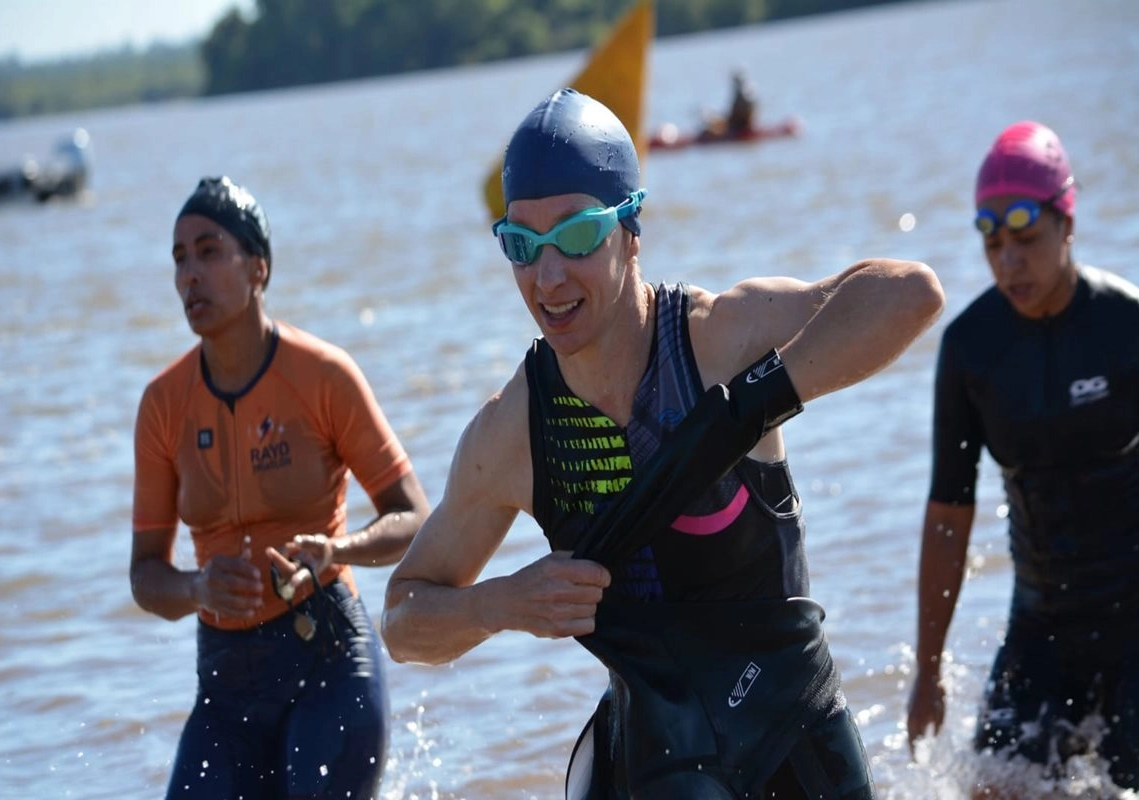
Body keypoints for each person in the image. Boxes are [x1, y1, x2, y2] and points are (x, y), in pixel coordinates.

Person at [381, 88, 944, 798]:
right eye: (522, 245)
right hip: (659, 761)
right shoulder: (513, 433)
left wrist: (746, 410)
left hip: (793, 737)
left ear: (631, 227)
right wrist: (499, 605)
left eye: (577, 235)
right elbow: (402, 619)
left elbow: (909, 294)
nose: (548, 277)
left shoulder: (717, 340)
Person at [130, 176, 429, 800]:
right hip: (225, 682)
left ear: (258, 267)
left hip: (327, 658)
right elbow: (144, 576)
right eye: (179, 258)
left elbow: (413, 517)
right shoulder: (163, 405)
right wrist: (195, 586)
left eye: (209, 251)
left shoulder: (322, 376)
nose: (190, 274)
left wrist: (337, 549)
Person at [906, 121, 1139, 795]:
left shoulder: (1125, 325)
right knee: (994, 789)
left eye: (1027, 240)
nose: (1009, 263)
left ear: (1068, 225)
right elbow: (949, 516)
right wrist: (928, 669)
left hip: (1135, 613)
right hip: (1042, 624)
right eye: (994, 244)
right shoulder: (972, 351)